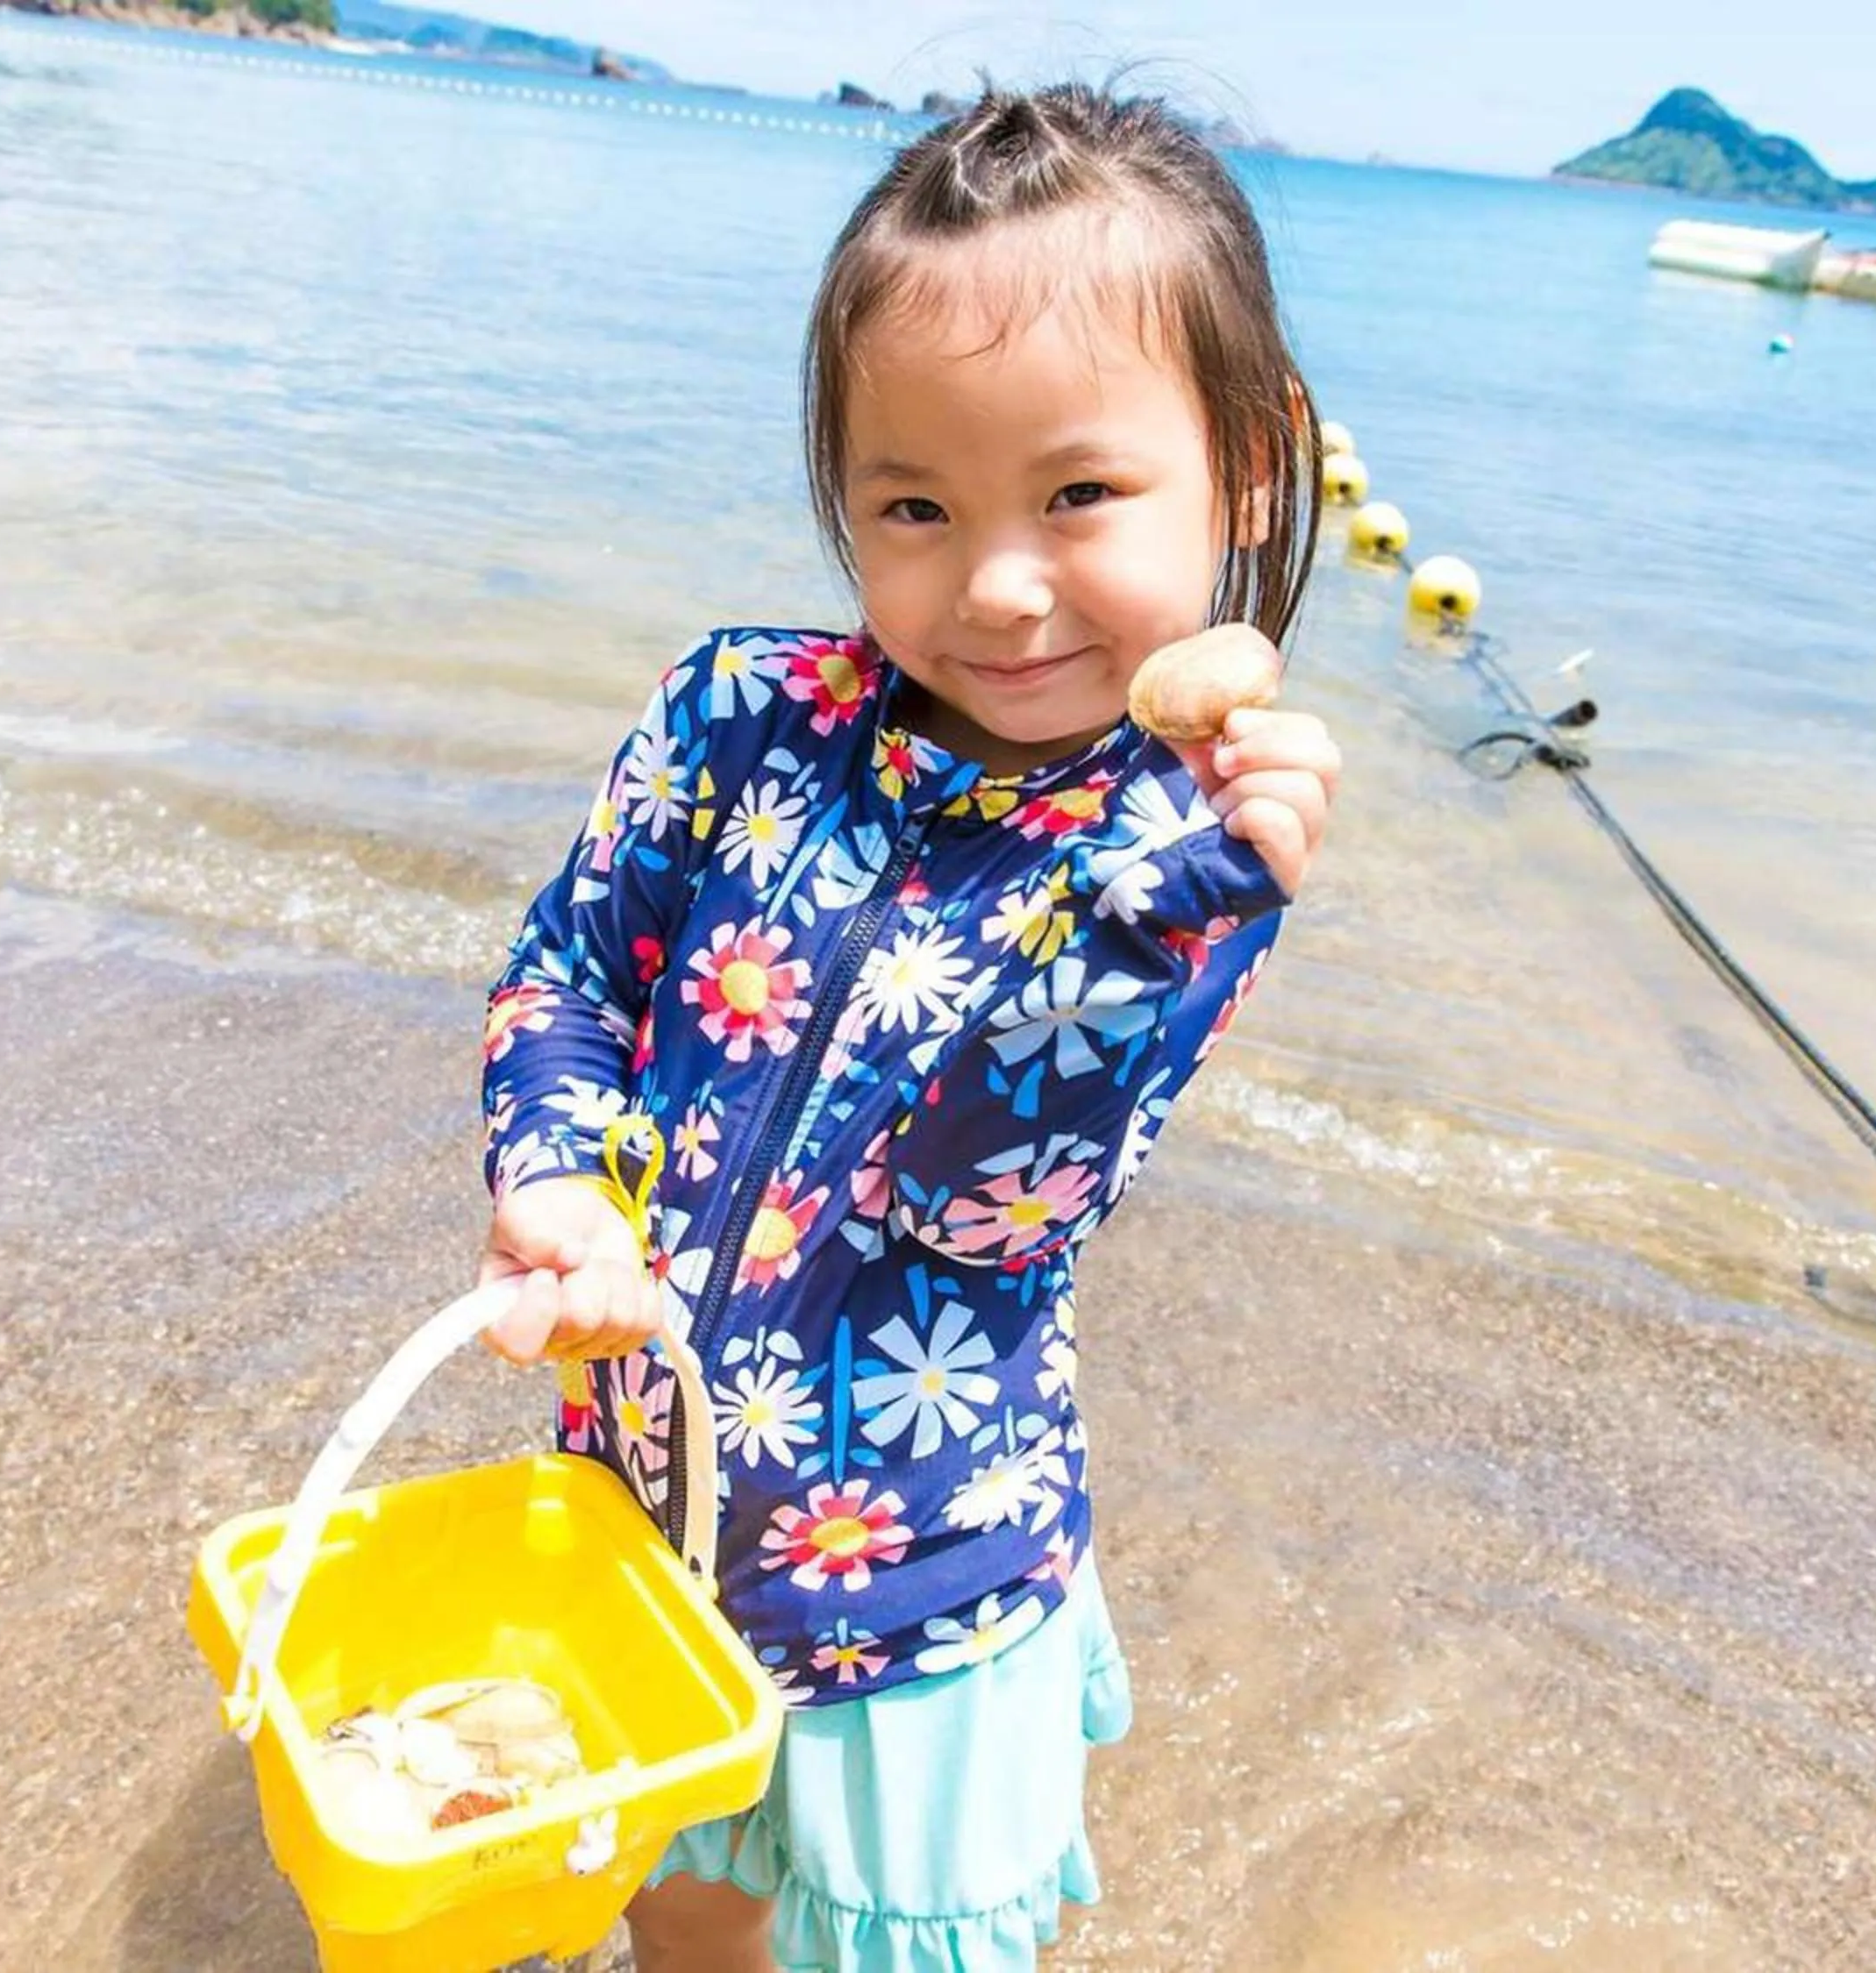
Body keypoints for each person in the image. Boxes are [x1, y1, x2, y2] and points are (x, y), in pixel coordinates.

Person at [474, 82, 1344, 1973]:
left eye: (1083, 494)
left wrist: (1164, 921)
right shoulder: (738, 713)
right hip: (642, 1513)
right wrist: (559, 1184)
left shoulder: (1174, 857)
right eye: (916, 508)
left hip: (920, 1580)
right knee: (685, 1918)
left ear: (1252, 467)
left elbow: (981, 1211)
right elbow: (571, 979)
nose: (1001, 584)